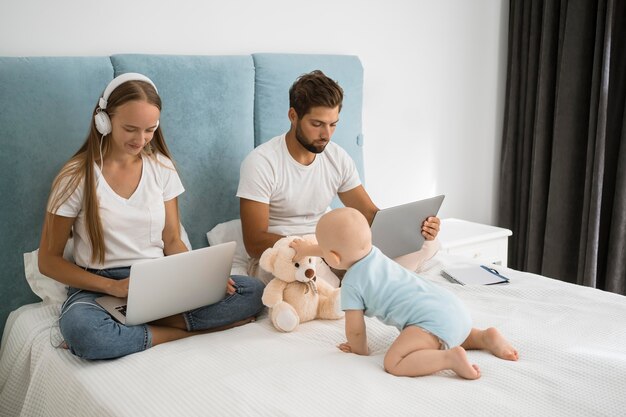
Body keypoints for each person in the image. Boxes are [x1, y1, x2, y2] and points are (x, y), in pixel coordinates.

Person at [38, 73, 265, 360]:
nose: (141, 139)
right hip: (97, 287)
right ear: (103, 121)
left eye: (150, 129)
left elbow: (171, 239)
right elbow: (48, 261)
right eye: (130, 128)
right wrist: (114, 287)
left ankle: (135, 327)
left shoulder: (161, 167)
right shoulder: (75, 177)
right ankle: (182, 332)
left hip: (160, 281)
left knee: (252, 291)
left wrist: (201, 278)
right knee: (85, 332)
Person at [237, 70, 440, 286]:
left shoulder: (337, 157)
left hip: (332, 248)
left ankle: (361, 284)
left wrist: (415, 229)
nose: (326, 134)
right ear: (293, 116)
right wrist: (318, 248)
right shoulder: (262, 162)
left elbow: (370, 214)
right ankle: (365, 285)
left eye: (333, 124)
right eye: (317, 124)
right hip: (291, 253)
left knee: (428, 245)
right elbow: (254, 241)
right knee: (316, 270)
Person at [291, 207, 519, 379]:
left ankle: (449, 358)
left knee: (394, 362)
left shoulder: (351, 283)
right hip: (450, 307)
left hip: (429, 323)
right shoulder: (373, 251)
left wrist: (358, 350)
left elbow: (356, 330)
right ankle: (484, 337)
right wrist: (307, 249)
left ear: (334, 257)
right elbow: (338, 248)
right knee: (452, 333)